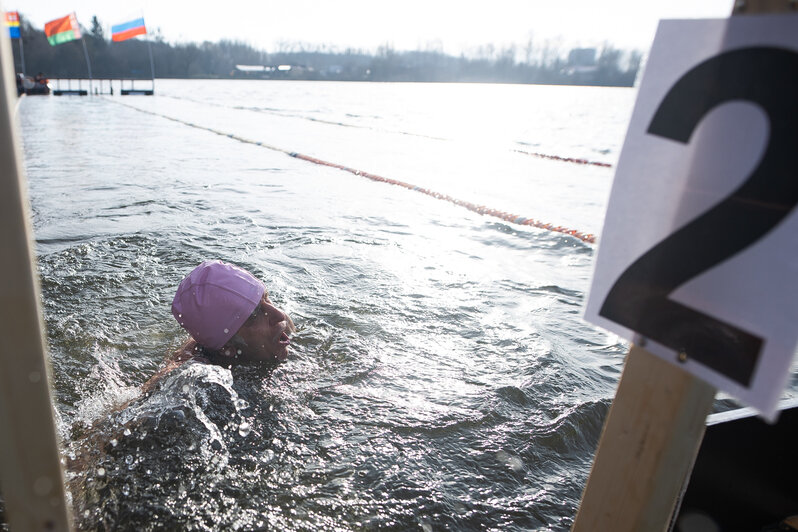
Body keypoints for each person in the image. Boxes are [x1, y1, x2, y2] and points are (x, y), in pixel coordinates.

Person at [157, 260, 295, 379]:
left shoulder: (277, 327)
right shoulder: (196, 378)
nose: (279, 315)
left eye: (266, 297)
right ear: (227, 347)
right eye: (254, 314)